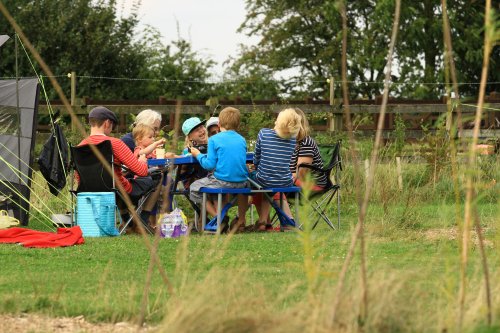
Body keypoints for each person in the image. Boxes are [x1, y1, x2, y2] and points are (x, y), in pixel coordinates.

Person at [77, 106, 159, 228]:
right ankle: (141, 221)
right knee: (157, 176)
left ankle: (128, 223)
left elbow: (78, 176)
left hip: (88, 192)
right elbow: (141, 171)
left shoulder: (80, 146)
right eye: (112, 126)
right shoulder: (114, 143)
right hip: (117, 192)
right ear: (107, 123)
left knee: (121, 184)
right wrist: (142, 160)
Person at [189, 107, 249, 231]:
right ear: (238, 124)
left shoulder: (214, 139)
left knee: (194, 188)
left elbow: (209, 165)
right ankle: (239, 220)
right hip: (242, 183)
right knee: (220, 185)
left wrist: (197, 155)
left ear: (219, 124)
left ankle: (219, 217)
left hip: (223, 181)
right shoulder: (242, 140)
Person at [251, 108, 301, 231]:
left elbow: (256, 157)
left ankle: (245, 219)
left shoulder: (264, 133)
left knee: (253, 179)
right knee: (269, 186)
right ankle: (264, 221)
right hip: (285, 181)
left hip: (264, 179)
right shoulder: (292, 140)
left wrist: (256, 167)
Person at [290, 108, 327, 190]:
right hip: (292, 181)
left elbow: (301, 174)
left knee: (270, 183)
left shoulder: (306, 142)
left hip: (311, 184)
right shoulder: (289, 141)